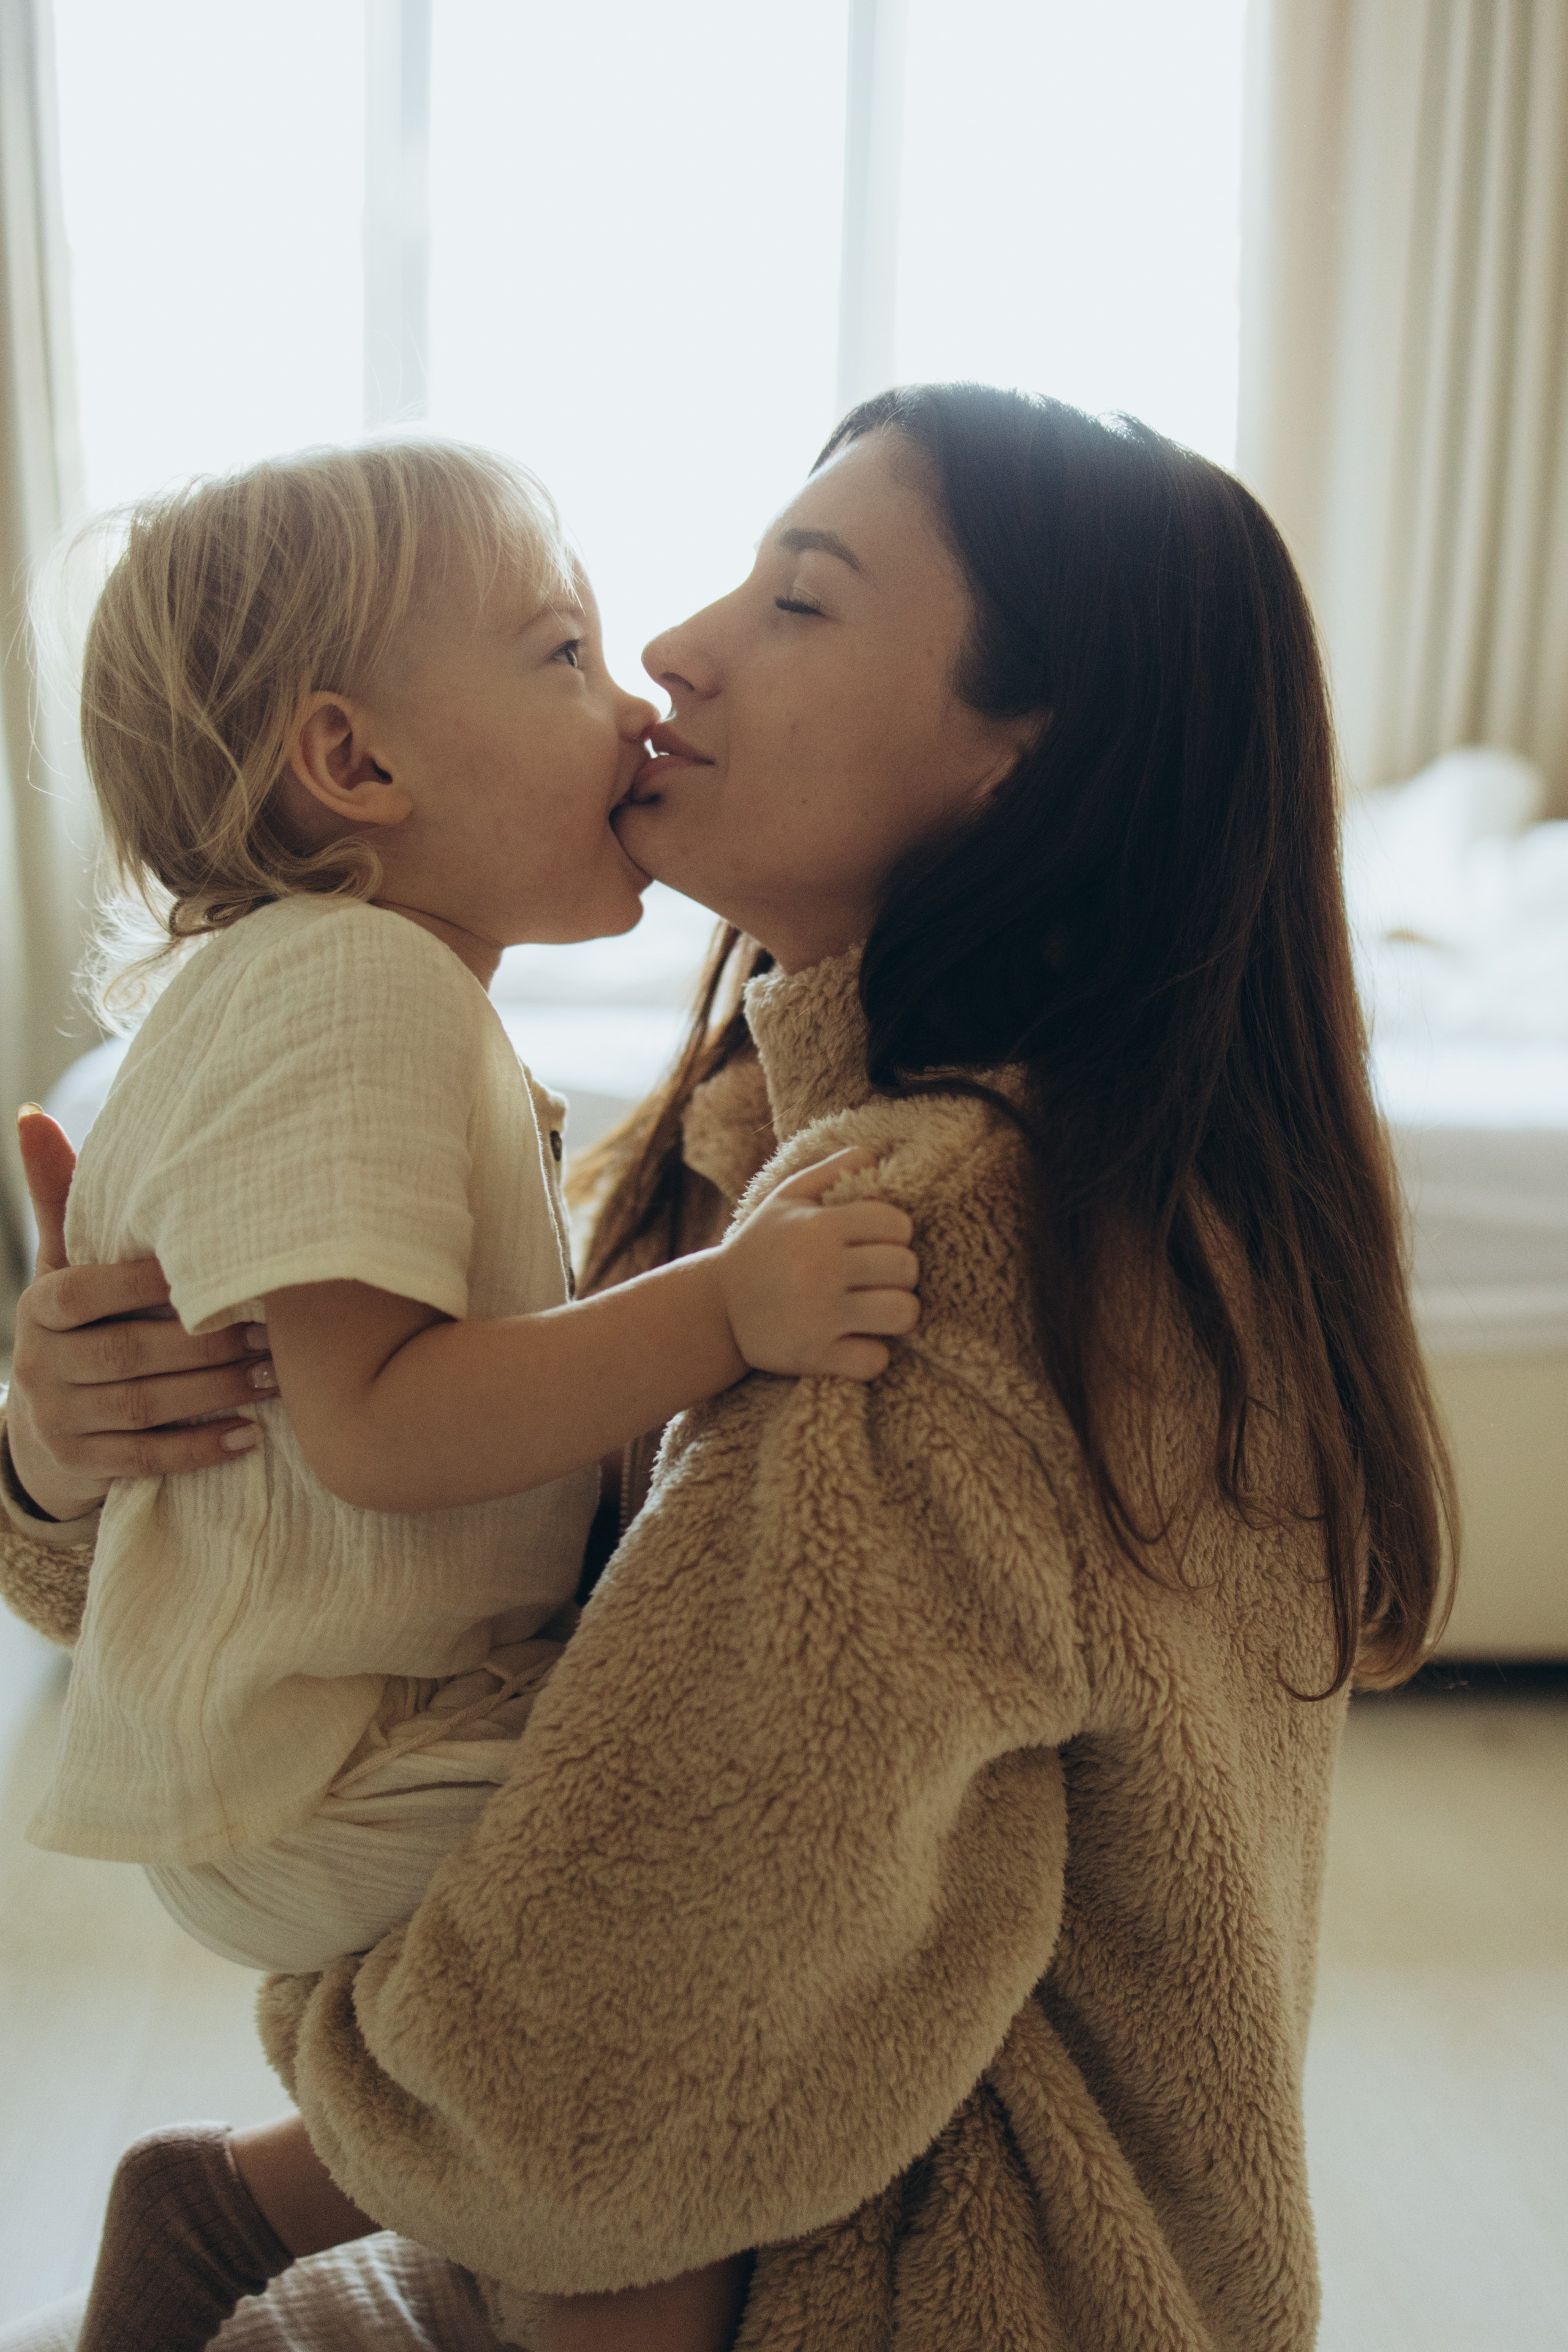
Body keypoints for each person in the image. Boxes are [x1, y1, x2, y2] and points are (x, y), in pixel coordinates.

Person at [0, 385, 1455, 2352]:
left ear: (1021, 765)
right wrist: (80, 1452)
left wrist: (303, 2125)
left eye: (804, 598)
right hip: (711, 2188)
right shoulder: (746, 1143)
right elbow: (386, 1556)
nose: (674, 652)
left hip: (935, 2271)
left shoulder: (944, 1247)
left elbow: (609, 2081)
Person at [10, 439, 919, 2352]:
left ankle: (252, 2208)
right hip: (343, 1751)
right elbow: (379, 1424)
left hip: (326, 1730)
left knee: (638, 2124)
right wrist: (727, 1308)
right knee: (687, 1978)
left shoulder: (346, 988)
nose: (640, 691)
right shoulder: (361, 988)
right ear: (358, 767)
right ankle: (292, 2213)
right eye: (565, 650)